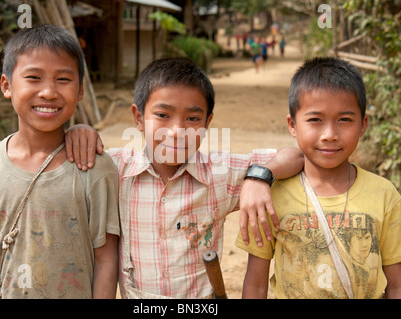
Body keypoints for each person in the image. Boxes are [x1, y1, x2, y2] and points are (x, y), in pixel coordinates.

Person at [65, 57, 304, 298]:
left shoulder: (220, 174)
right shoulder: (115, 170)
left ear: (207, 123)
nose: (177, 131)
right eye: (162, 115)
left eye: (192, 119)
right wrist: (78, 131)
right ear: (138, 118)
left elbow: (296, 155)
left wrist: (258, 178)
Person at [0, 25, 120, 299]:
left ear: (80, 90)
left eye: (63, 80)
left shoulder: (94, 168)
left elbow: (106, 259)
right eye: (33, 77)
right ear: (7, 86)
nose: (48, 92)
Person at [236, 57, 401, 299]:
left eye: (345, 120)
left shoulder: (385, 195)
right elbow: (255, 285)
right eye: (315, 120)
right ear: (292, 125)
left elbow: (396, 285)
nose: (330, 135)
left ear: (363, 125)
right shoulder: (272, 197)